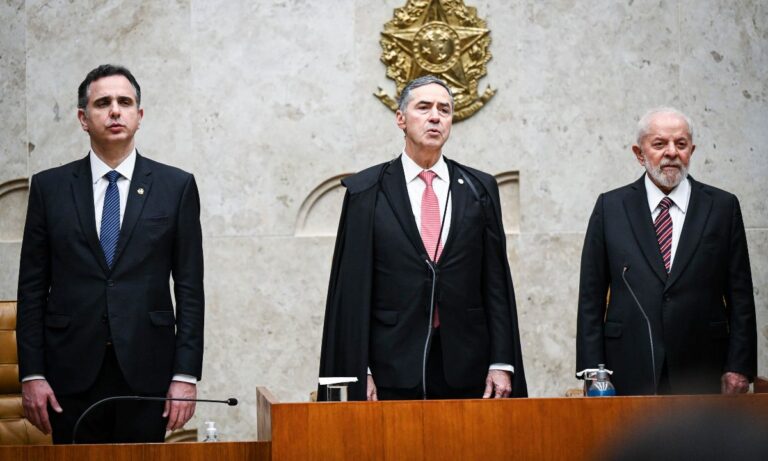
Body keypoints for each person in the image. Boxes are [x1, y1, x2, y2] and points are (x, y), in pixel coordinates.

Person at [17, 64, 205, 443]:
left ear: (140, 115)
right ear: (83, 119)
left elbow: (189, 289)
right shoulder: (49, 188)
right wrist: (32, 374)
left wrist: (185, 374)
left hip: (147, 370)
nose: (115, 111)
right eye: (103, 103)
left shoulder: (176, 186)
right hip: (68, 372)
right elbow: (32, 289)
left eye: (125, 102)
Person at [318, 75, 527, 401]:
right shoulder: (367, 191)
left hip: (467, 366)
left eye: (444, 110)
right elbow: (352, 290)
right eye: (424, 107)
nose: (435, 117)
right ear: (401, 119)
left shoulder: (479, 188)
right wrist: (361, 369)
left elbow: (496, 283)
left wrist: (501, 362)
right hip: (391, 366)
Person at [576, 107, 757, 395]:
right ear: (639, 153)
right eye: (659, 144)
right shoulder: (610, 207)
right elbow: (591, 296)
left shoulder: (722, 207)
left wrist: (739, 365)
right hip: (628, 364)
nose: (671, 152)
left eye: (680, 144)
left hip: (703, 367)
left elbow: (741, 295)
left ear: (691, 151)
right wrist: (592, 371)